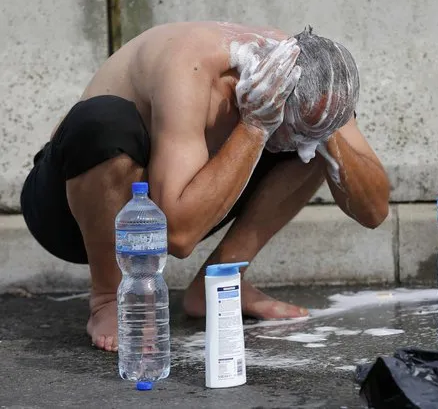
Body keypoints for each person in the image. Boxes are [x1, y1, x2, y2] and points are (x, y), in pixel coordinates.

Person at [20, 21, 390, 352]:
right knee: (103, 122)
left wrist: (322, 136)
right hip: (70, 209)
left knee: (316, 146)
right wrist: (256, 126)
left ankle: (220, 280)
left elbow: (374, 212)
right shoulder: (192, 67)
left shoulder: (316, 80)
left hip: (175, 196)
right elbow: (178, 236)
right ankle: (107, 297)